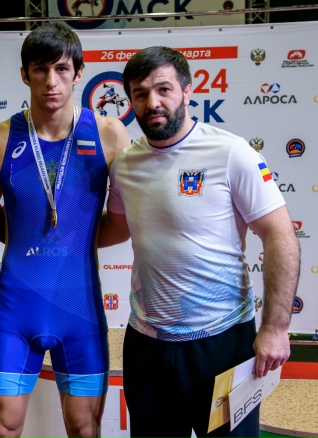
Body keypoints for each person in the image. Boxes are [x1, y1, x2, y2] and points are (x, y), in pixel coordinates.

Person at [98, 46, 301, 438]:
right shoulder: (124, 166)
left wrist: (276, 327)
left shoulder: (231, 152)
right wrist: (39, 231)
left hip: (223, 344)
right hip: (148, 346)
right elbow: (116, 229)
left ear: (187, 91)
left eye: (164, 89)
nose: (152, 103)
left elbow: (280, 235)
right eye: (140, 94)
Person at [0, 23, 130, 438]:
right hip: (15, 311)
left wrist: (72, 242)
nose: (51, 81)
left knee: (85, 429)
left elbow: (123, 222)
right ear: (25, 74)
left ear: (78, 73)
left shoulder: (109, 134)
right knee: (2, 427)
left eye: (61, 69)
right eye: (40, 69)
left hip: (80, 308)